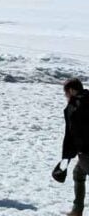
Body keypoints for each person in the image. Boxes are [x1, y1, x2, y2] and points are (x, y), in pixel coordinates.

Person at [62, 78, 89, 216]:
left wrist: (68, 154)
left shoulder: (76, 106)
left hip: (86, 151)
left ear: (72, 91)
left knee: (79, 173)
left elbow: (73, 133)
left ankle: (77, 211)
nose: (66, 96)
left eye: (66, 93)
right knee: (78, 173)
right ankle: (77, 210)